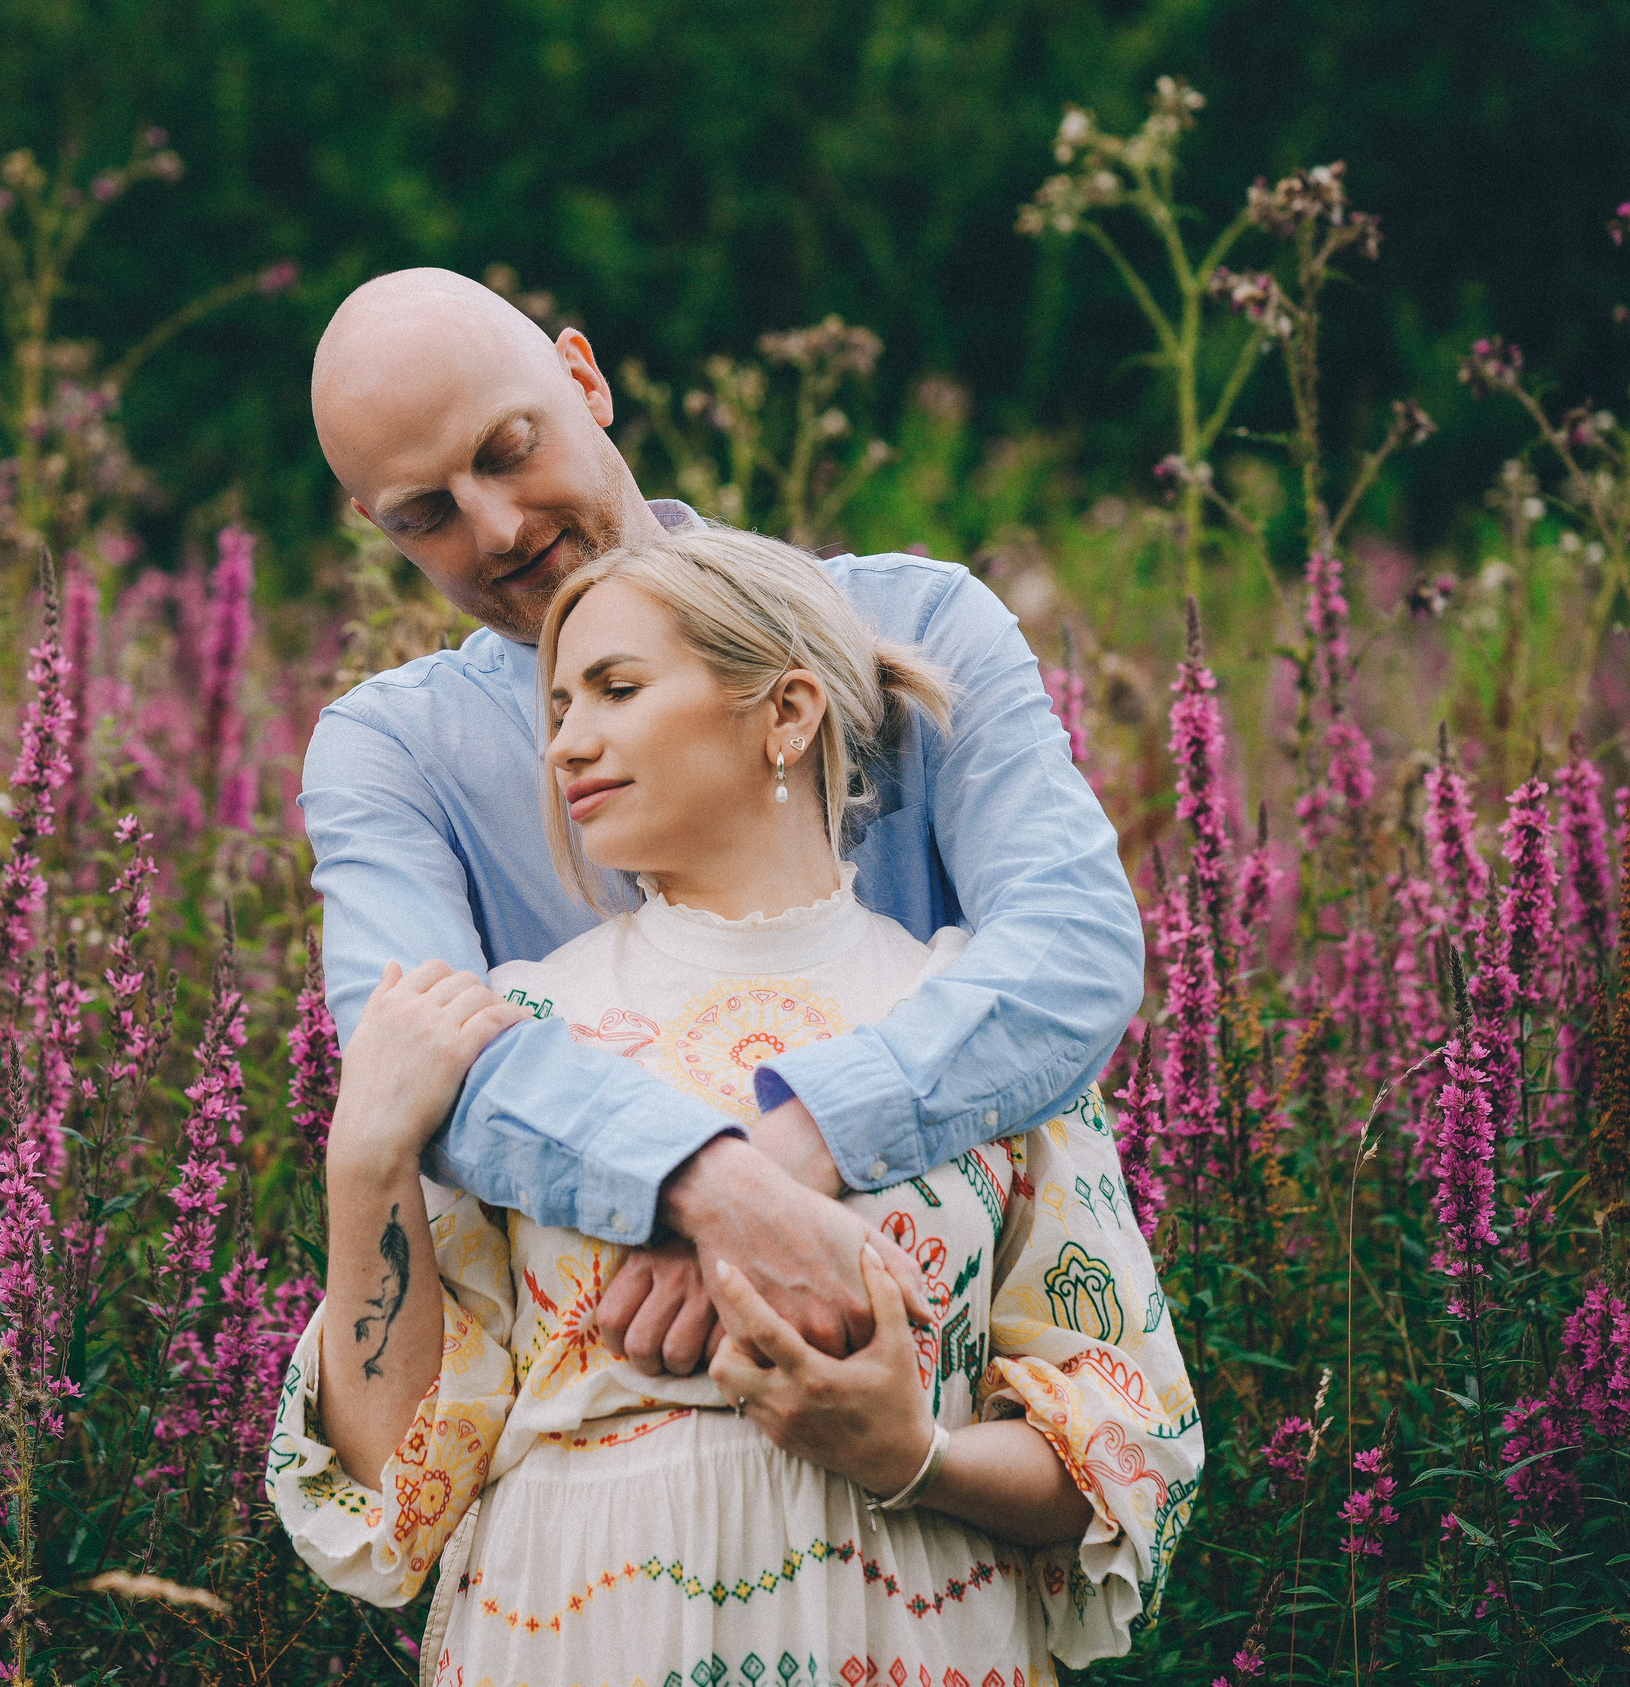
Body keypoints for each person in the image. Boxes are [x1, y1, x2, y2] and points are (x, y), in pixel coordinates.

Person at [268, 528, 1198, 1681]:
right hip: (578, 1626)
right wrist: (363, 1164)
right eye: (557, 705)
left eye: (615, 688)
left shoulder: (973, 1024)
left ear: (787, 712)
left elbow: (1124, 1448)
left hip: (911, 1628)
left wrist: (913, 1455)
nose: (566, 741)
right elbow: (396, 1486)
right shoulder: (516, 1031)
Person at [301, 267, 1145, 1371]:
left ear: (583, 379)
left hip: (940, 1360)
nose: (498, 528)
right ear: (376, 529)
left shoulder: (916, 622)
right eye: (427, 516)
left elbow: (1071, 952)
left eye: (510, 451)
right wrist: (703, 1183)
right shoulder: (398, 751)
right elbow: (410, 1062)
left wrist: (799, 1147)